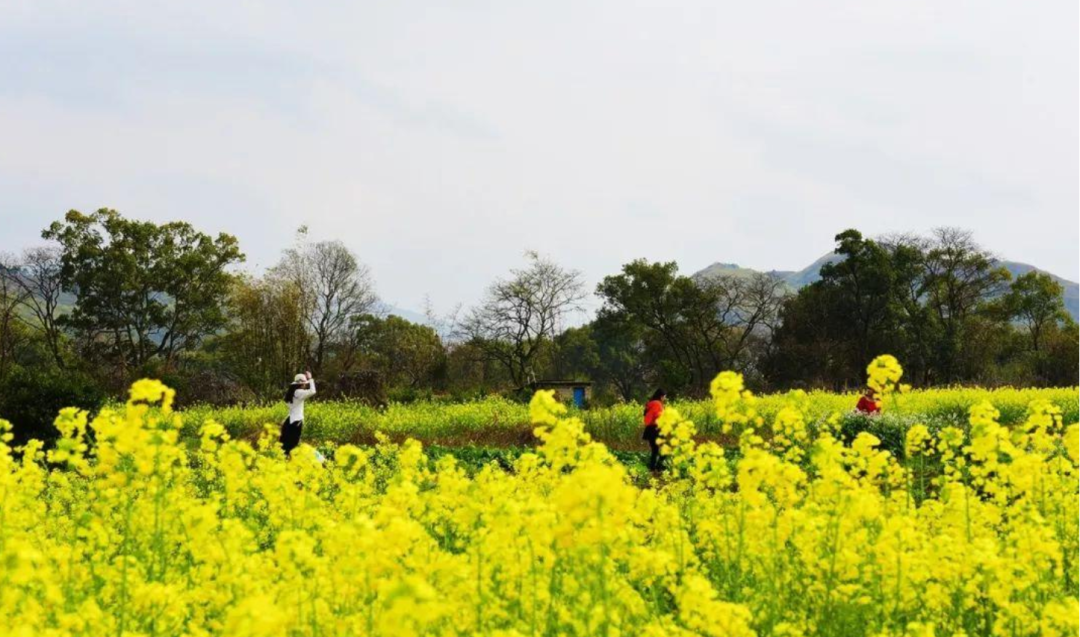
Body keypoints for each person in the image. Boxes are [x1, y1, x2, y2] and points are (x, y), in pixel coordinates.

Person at [281, 371, 316, 456]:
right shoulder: (298, 392)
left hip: (289, 420)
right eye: (305, 384)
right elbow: (313, 391)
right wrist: (310, 379)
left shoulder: (291, 393)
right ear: (301, 384)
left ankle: (283, 461)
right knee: (293, 444)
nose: (305, 385)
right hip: (296, 421)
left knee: (285, 444)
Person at [642, 388, 666, 471]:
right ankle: (659, 466)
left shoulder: (650, 403)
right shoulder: (657, 404)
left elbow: (646, 416)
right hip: (656, 429)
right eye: (664, 397)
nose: (664, 399)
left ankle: (652, 468)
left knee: (655, 450)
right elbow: (658, 415)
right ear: (661, 396)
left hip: (649, 429)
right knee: (666, 448)